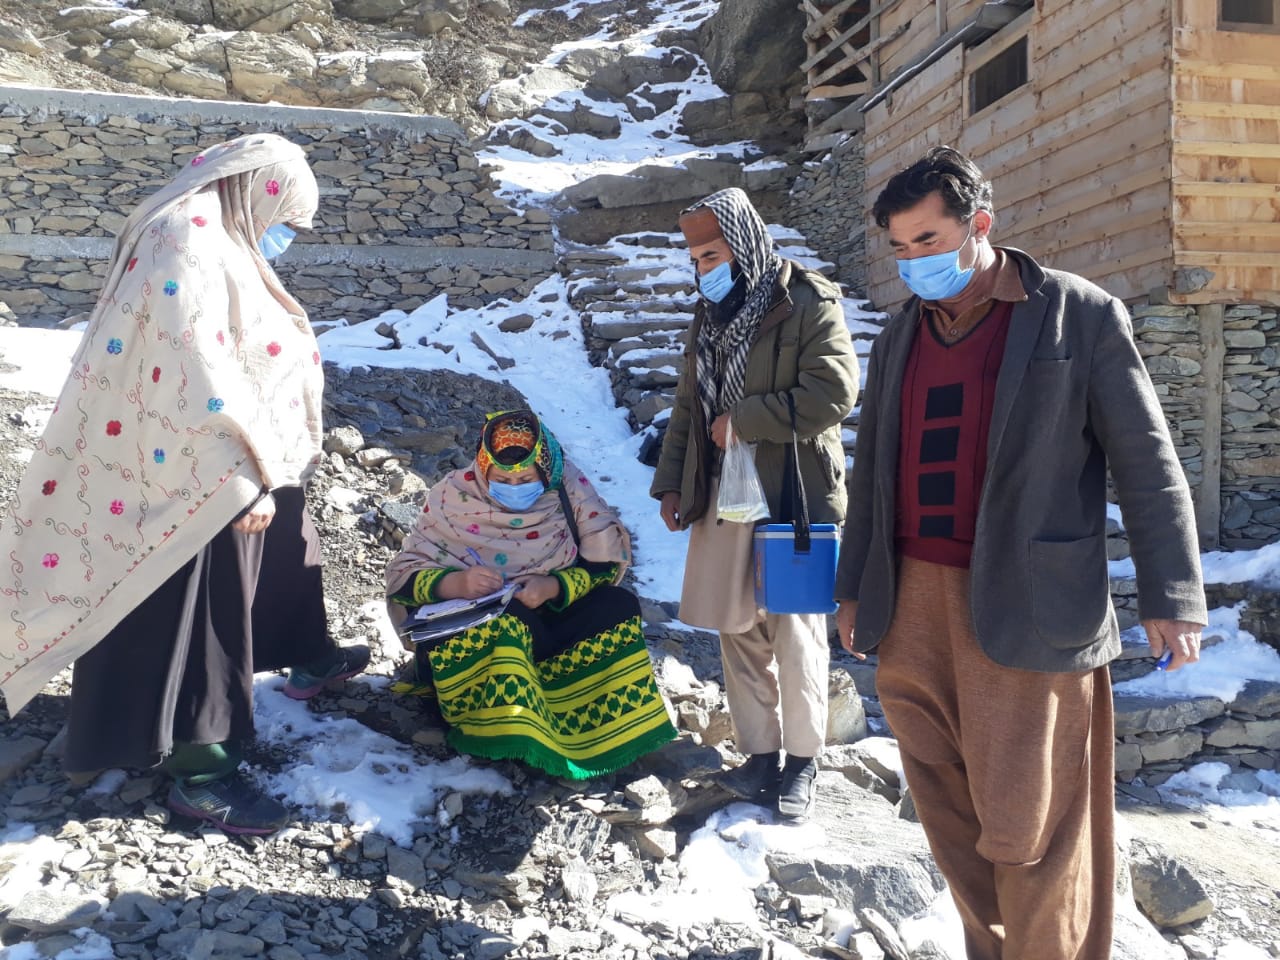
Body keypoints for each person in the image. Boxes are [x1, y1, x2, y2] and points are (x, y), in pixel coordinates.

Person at [835, 146, 1207, 959]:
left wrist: (1172, 594)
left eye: (928, 241)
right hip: (911, 607)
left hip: (1030, 608)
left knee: (1030, 827)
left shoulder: (1079, 314)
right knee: (949, 818)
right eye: (899, 248)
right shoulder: (901, 335)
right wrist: (855, 589)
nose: (912, 264)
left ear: (981, 226)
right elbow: (871, 475)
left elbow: (1148, 463)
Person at [0, 133, 368, 835]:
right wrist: (242, 475)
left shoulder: (218, 234)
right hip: (201, 469)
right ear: (257, 191)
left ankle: (307, 656)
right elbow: (195, 370)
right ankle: (201, 769)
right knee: (204, 613)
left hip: (248, 454)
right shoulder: (190, 237)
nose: (284, 234)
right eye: (285, 217)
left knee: (290, 550)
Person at [650, 188, 859, 820]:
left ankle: (802, 765)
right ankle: (760, 757)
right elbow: (690, 406)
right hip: (724, 494)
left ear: (743, 246)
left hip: (792, 491)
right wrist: (672, 484)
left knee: (795, 632)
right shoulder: (707, 318)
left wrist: (746, 419)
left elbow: (834, 391)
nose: (702, 269)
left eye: (711, 254)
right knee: (736, 628)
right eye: (694, 258)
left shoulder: (806, 302)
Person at [386, 409, 676, 780]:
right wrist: (455, 584)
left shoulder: (570, 493)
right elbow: (403, 577)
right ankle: (501, 730)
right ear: (482, 468)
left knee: (617, 606)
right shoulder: (452, 497)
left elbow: (605, 566)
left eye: (525, 477)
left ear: (547, 470)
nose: (515, 485)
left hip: (547, 617)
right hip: (476, 630)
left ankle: (597, 721)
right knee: (509, 623)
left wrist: (554, 586)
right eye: (503, 478)